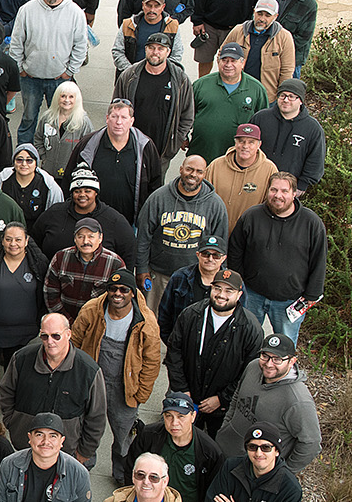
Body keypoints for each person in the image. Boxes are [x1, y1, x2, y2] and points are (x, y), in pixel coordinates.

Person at [69, 269, 162, 485]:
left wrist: (141, 393)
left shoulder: (146, 322)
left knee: (124, 438)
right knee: (86, 430)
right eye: (112, 289)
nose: (117, 293)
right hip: (93, 384)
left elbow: (151, 361)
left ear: (132, 293)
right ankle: (82, 469)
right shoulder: (92, 310)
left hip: (125, 390)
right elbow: (74, 343)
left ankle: (122, 475)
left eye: (123, 289)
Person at [227, 172, 327, 340]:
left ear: (294, 193)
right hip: (252, 295)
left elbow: (319, 260)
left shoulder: (311, 223)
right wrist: (238, 283)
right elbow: (236, 250)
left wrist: (312, 294)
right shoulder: (251, 216)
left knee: (284, 347)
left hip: (289, 300)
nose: (278, 196)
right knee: (244, 339)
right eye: (273, 190)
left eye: (284, 191)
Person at [166, 268, 264, 437]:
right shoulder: (191, 314)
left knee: (214, 451)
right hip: (187, 399)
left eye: (229, 291)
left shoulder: (250, 328)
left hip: (222, 410)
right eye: (217, 288)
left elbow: (250, 372)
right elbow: (174, 352)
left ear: (239, 294)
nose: (221, 295)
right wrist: (182, 389)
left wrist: (221, 399)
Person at [0, 314, 108, 460]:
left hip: (67, 452)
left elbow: (97, 416)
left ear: (68, 334)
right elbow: (6, 391)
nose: (50, 342)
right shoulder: (21, 359)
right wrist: (13, 422)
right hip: (24, 446)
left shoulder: (88, 370)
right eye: (44, 336)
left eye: (56, 336)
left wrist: (84, 453)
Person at [215, 334, 322, 473]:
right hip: (224, 451)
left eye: (277, 359)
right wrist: (226, 427)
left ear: (292, 361)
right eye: (265, 356)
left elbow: (311, 444)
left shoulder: (298, 401)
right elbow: (237, 397)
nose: (269, 364)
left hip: (253, 472)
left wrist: (283, 473)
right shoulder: (253, 367)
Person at [6, 0, 88, 146]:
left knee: (60, 120)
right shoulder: (27, 10)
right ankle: (24, 154)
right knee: (28, 119)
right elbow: (16, 42)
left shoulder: (75, 13)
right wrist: (20, 68)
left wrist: (69, 72)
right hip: (30, 78)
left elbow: (81, 45)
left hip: (59, 80)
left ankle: (55, 155)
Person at [136, 156, 227, 309]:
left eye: (199, 171)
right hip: (159, 274)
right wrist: (142, 269)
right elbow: (143, 237)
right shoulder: (158, 198)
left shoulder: (215, 205)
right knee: (152, 320)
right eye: (189, 169)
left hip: (195, 278)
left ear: (205, 174)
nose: (193, 175)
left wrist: (217, 277)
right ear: (181, 169)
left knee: (188, 321)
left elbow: (221, 245)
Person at [0, 223, 48, 401]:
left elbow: (46, 292)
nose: (14, 244)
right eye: (9, 239)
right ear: (2, 241)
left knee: (16, 365)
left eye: (18, 239)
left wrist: (38, 321)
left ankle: (12, 393)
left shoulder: (38, 262)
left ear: (27, 241)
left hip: (24, 329)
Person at [62, 100, 163, 226]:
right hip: (91, 222)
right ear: (107, 118)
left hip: (131, 223)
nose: (119, 122)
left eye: (124, 117)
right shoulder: (88, 144)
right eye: (114, 117)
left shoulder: (145, 146)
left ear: (131, 121)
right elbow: (69, 179)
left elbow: (155, 184)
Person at [114, 30, 194, 169]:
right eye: (151, 48)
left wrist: (174, 143)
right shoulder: (129, 76)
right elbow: (115, 109)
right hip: (130, 146)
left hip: (161, 151)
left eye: (160, 49)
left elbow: (187, 115)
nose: (155, 52)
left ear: (168, 52)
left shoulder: (180, 80)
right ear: (145, 49)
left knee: (155, 188)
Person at [32, 166, 137, 262]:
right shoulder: (54, 213)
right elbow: (34, 241)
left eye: (87, 191)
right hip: (56, 277)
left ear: (96, 193)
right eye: (77, 191)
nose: (82, 195)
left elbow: (129, 253)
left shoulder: (115, 220)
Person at [189, 43, 270, 166]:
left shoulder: (256, 89)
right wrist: (183, 137)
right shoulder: (201, 85)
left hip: (238, 156)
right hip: (202, 151)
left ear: (243, 63)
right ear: (218, 61)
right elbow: (185, 114)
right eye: (224, 60)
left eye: (233, 61)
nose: (228, 65)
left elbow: (264, 122)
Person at [44, 217, 126, 322]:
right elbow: (50, 292)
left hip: (98, 323)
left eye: (91, 236)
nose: (85, 241)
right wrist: (66, 321)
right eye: (80, 236)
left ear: (100, 238)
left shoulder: (115, 263)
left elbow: (120, 298)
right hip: (65, 321)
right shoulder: (60, 257)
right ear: (74, 238)